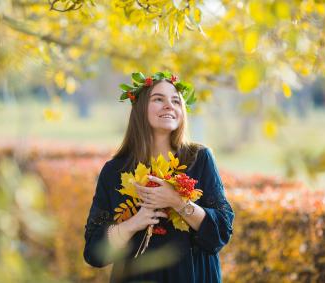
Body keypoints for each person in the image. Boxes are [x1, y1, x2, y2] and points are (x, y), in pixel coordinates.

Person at [83, 71, 234, 282]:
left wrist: (178, 202)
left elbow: (221, 233)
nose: (169, 105)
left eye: (175, 101)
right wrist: (135, 223)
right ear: (140, 108)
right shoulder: (114, 171)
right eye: (158, 99)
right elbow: (94, 253)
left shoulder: (200, 159)